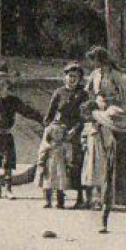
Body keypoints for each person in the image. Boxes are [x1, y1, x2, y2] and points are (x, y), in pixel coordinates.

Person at [82, 46, 126, 208]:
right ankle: (97, 193)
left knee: (111, 151)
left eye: (94, 60)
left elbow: (124, 97)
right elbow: (88, 92)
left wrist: (114, 108)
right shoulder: (95, 75)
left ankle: (114, 193)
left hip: (112, 113)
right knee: (96, 153)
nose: (93, 64)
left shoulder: (115, 75)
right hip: (98, 113)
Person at [92, 103, 126, 233]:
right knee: (109, 199)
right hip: (114, 171)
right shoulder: (110, 136)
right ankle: (107, 225)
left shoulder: (122, 139)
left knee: (122, 200)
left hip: (122, 172)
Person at [43, 62, 89, 208]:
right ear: (65, 77)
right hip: (59, 133)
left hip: (77, 132)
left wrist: (75, 129)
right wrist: (50, 130)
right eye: (70, 76)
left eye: (75, 77)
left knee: (76, 164)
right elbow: (49, 115)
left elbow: (85, 115)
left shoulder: (83, 94)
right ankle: (59, 196)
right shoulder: (59, 93)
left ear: (80, 79)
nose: (72, 79)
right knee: (57, 164)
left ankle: (80, 198)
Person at [37, 119, 73, 209]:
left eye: (59, 133)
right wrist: (41, 162)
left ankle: (60, 202)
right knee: (48, 181)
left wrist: (68, 161)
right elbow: (42, 151)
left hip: (60, 164)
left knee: (60, 182)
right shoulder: (48, 145)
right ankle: (47, 201)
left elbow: (68, 153)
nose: (57, 135)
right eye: (55, 133)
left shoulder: (64, 145)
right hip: (50, 163)